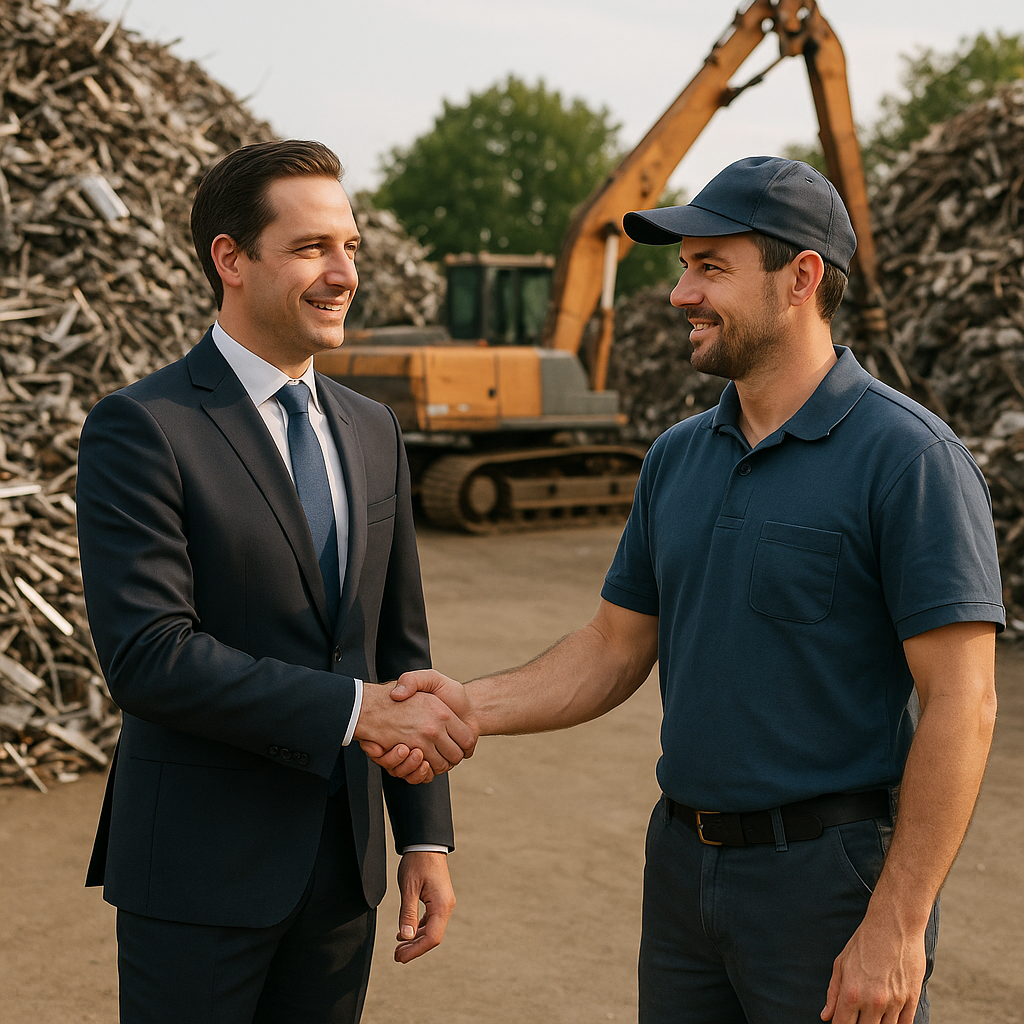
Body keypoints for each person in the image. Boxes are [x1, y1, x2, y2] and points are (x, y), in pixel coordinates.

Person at [365, 156, 1004, 1023]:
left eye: (711, 268)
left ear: (801, 279)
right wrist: (465, 706)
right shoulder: (677, 457)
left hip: (828, 881)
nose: (681, 295)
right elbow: (612, 648)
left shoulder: (910, 460)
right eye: (683, 269)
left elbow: (962, 703)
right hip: (682, 868)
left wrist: (898, 919)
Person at [76, 139, 476, 1024]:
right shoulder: (144, 426)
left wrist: (424, 835)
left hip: (343, 873)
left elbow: (397, 648)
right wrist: (354, 711)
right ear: (231, 258)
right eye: (312, 249)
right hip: (196, 875)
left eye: (351, 248)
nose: (344, 274)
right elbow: (148, 656)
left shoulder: (373, 429)